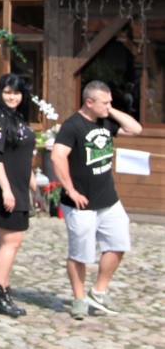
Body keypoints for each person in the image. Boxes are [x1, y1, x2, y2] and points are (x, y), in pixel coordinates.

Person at [50, 80, 142, 320]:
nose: (109, 106)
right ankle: (79, 299)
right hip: (81, 204)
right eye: (105, 102)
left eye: (110, 101)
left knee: (119, 244)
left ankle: (98, 291)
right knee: (80, 254)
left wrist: (110, 110)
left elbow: (135, 129)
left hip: (109, 200)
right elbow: (57, 156)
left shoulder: (106, 121)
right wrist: (70, 190)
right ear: (88, 102)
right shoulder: (72, 125)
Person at [0, 74, 43, 317]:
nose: (12, 96)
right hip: (2, 189)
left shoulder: (17, 118)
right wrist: (6, 189)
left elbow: (24, 161)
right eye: (7, 92)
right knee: (12, 241)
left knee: (12, 241)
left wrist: (35, 188)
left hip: (18, 188)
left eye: (16, 93)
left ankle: (3, 288)